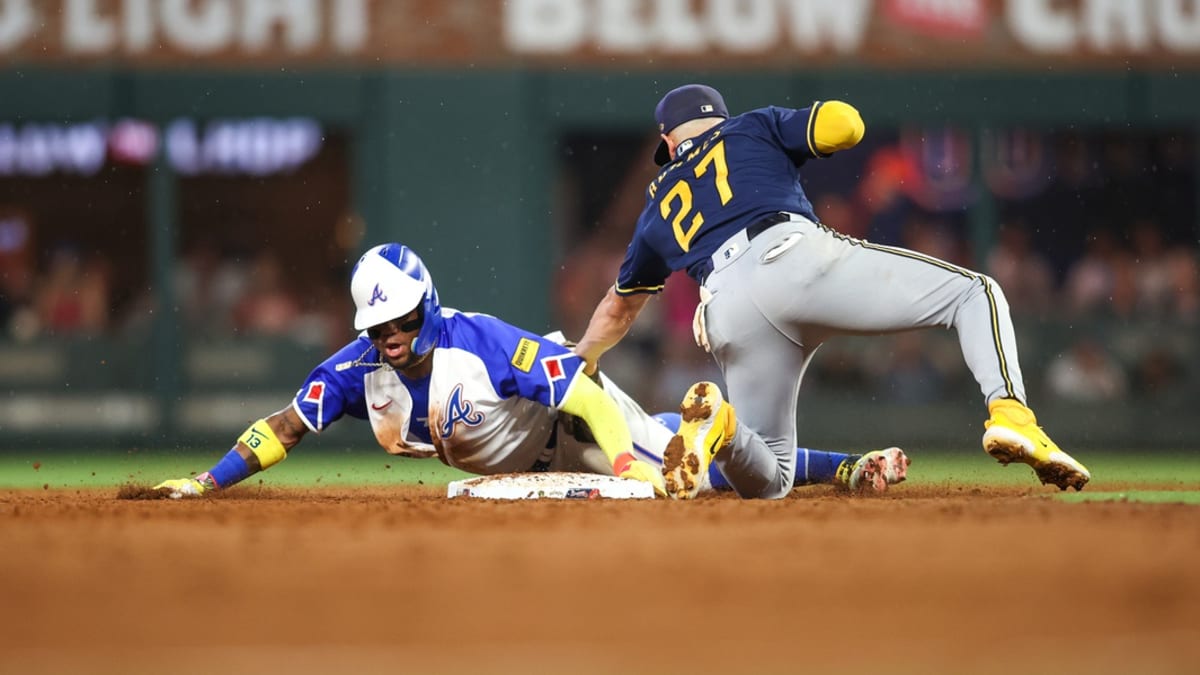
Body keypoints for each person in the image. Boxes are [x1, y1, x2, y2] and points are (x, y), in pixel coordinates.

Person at [572, 84, 1090, 500]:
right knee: (974, 292)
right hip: (793, 260)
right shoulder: (752, 125)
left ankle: (723, 427)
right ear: (720, 116)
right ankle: (1012, 416)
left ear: (667, 142)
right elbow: (846, 125)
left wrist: (584, 361)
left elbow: (619, 307)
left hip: (726, 306)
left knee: (771, 476)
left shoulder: (659, 200)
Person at [154, 243, 909, 499]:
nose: (391, 336)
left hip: (577, 425)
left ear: (429, 305)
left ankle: (818, 461)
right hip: (531, 459)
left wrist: (618, 455)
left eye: (403, 319)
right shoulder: (354, 370)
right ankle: (836, 465)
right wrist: (203, 481)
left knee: (679, 476)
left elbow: (579, 386)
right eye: (377, 327)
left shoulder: (480, 341)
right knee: (681, 455)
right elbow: (284, 426)